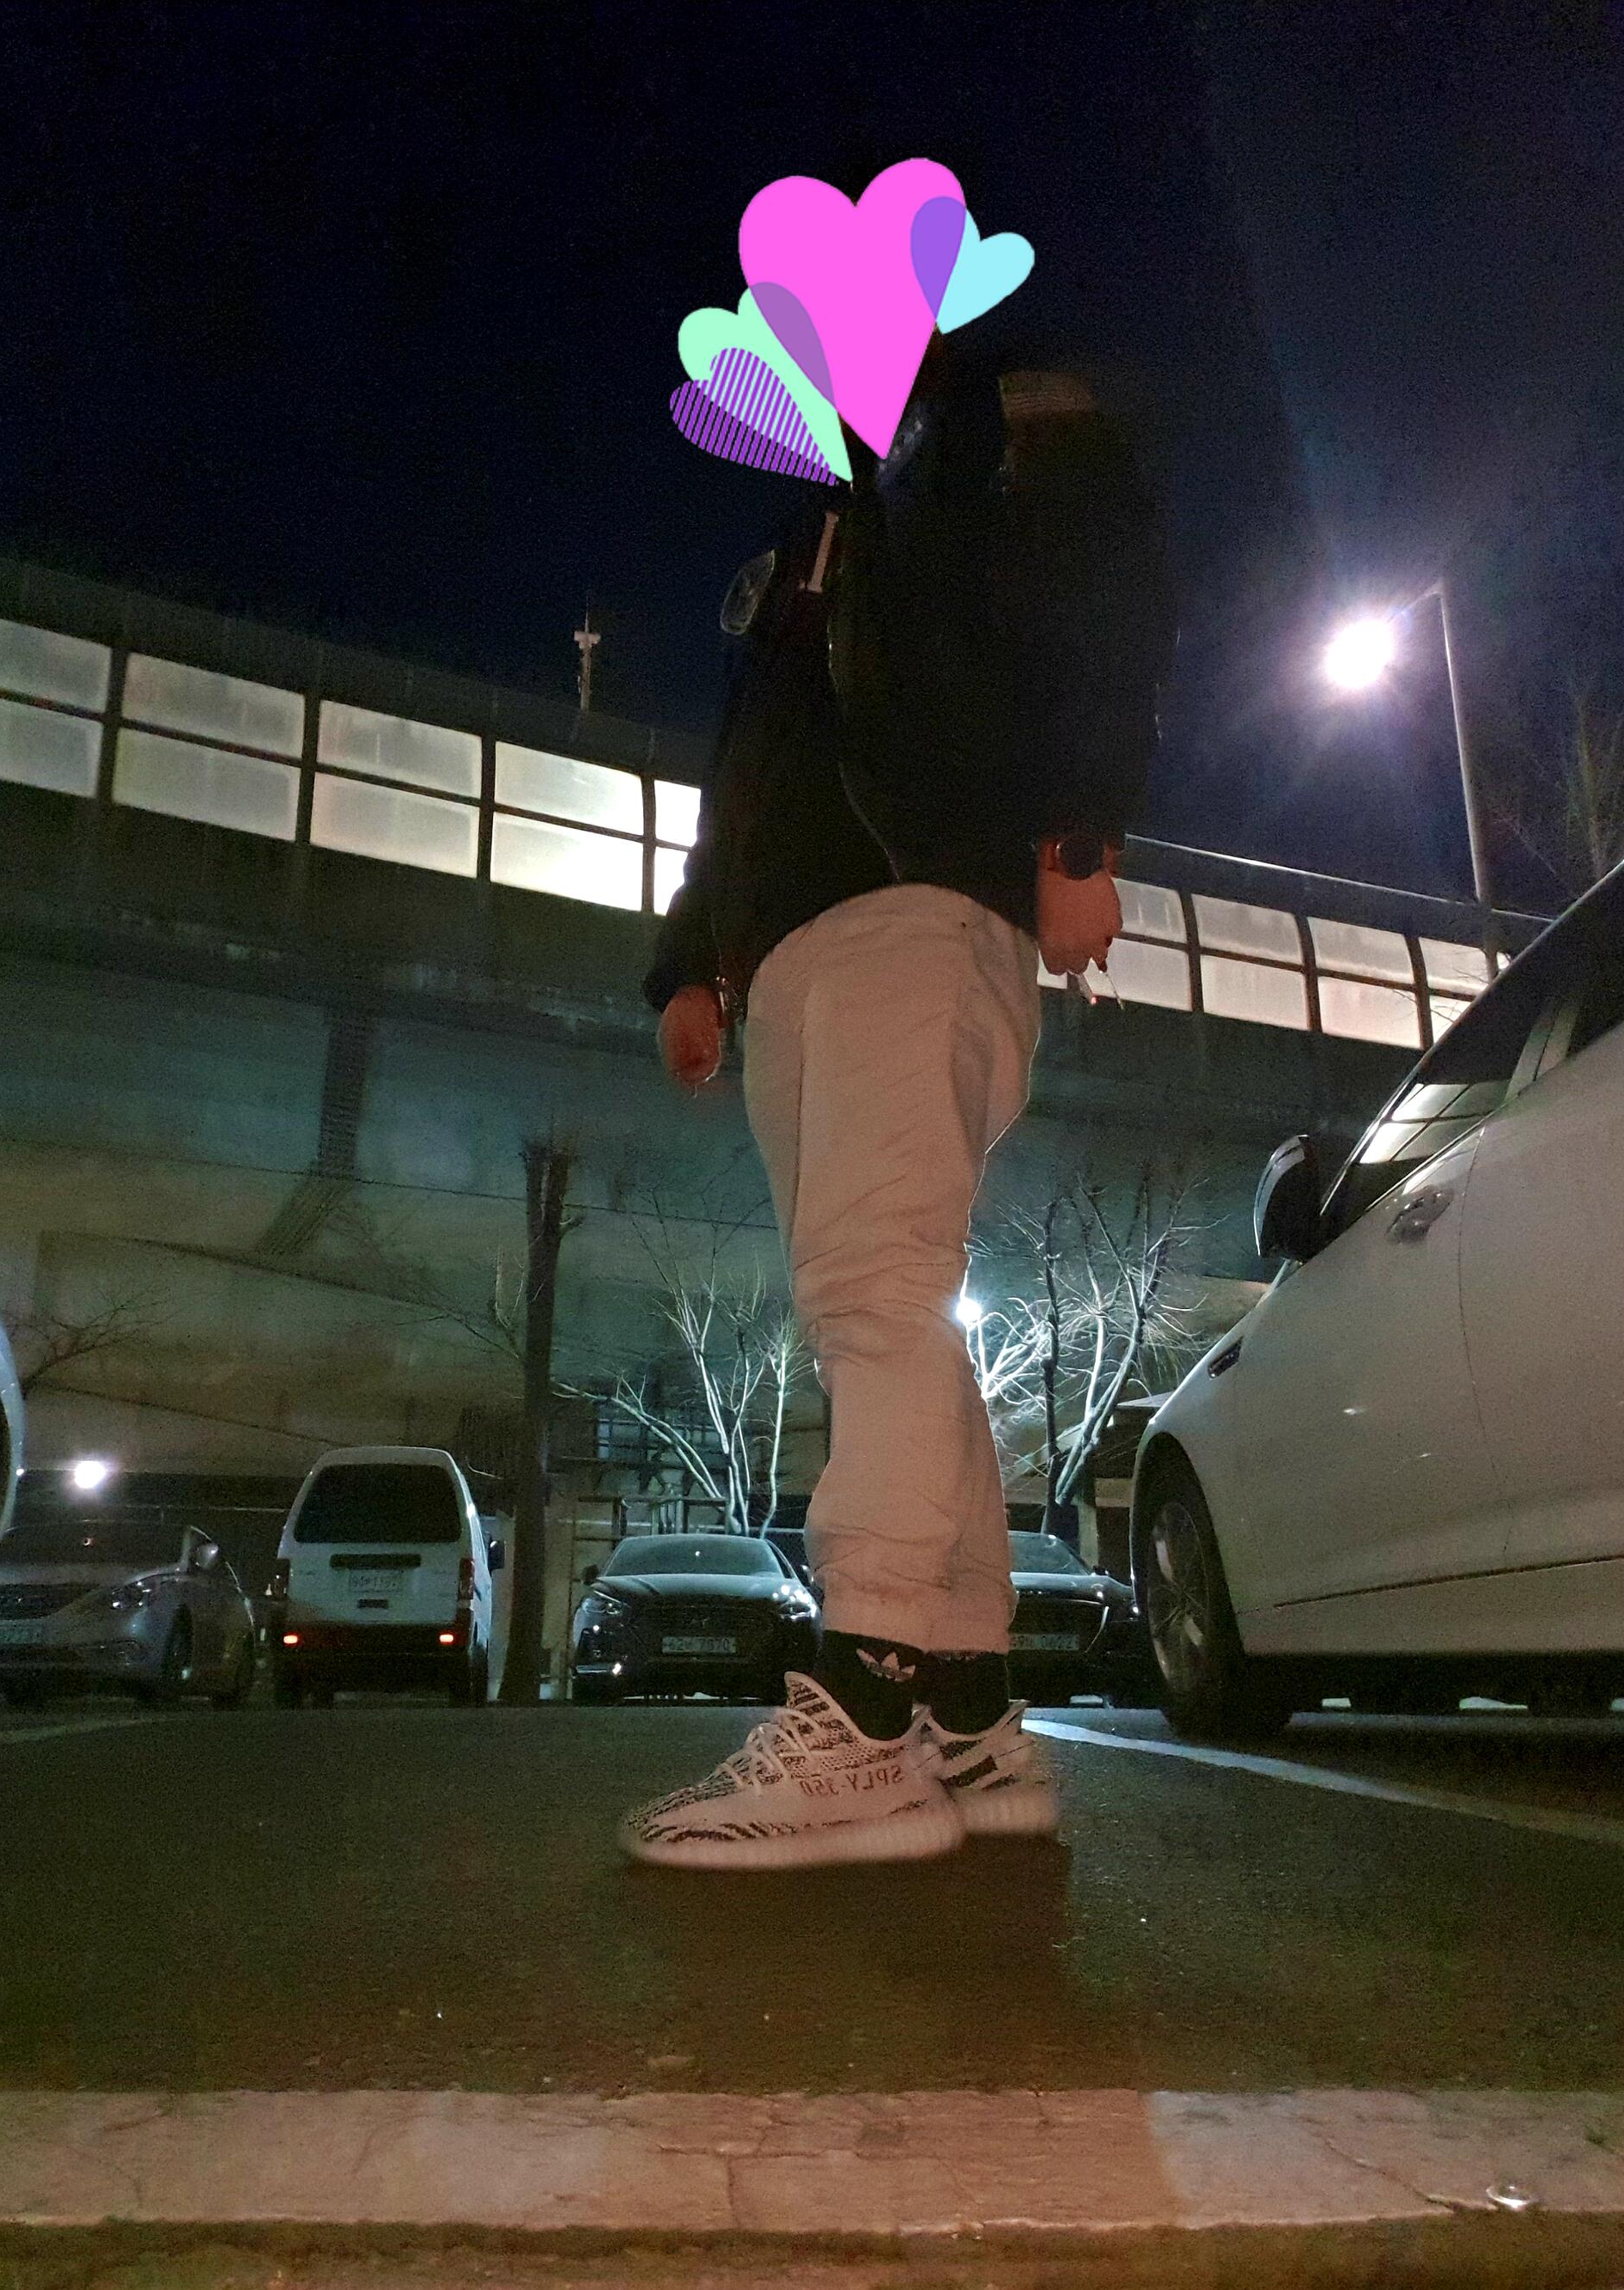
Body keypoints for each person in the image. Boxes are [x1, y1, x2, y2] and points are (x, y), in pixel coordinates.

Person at [620, 332, 1176, 1870]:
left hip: (913, 903)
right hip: (804, 945)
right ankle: (967, 1713)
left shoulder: (974, 419)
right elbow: (754, 764)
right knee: (889, 1307)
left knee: (874, 1291)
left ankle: (865, 1711)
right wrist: (693, 960)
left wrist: (1080, 834)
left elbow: (1096, 570)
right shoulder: (825, 516)